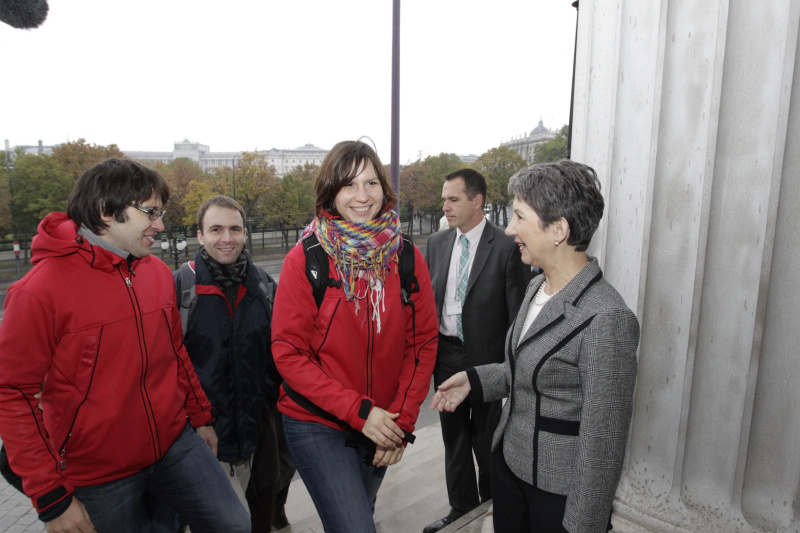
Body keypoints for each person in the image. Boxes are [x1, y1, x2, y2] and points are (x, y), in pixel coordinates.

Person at [0, 159, 250, 533]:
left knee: (234, 523)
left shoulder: (156, 273)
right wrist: (51, 496)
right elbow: (12, 393)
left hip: (173, 445)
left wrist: (201, 417)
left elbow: (175, 353)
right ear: (105, 210)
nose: (161, 224)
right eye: (150, 212)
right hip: (97, 471)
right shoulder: (38, 291)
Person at [431, 160, 640, 533]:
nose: (509, 229)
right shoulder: (535, 288)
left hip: (557, 495)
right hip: (510, 472)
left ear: (558, 229)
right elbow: (527, 371)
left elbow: (603, 446)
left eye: (519, 217)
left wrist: (583, 525)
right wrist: (475, 382)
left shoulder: (607, 318)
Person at [271, 139, 438, 532]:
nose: (362, 196)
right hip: (317, 420)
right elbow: (288, 352)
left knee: (360, 512)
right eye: (349, 185)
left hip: (383, 421)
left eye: (371, 183)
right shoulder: (307, 258)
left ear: (385, 188)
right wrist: (358, 412)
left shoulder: (408, 257)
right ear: (330, 193)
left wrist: (402, 423)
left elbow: (423, 344)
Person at [422, 168, 531, 532]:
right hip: (446, 354)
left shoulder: (506, 246)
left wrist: (509, 366)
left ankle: (491, 508)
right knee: (453, 439)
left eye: (453, 199)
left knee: (487, 442)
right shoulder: (437, 243)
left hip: (487, 360)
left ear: (477, 201)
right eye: (444, 199)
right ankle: (461, 509)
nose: (445, 206)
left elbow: (517, 313)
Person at [175, 195, 292, 532]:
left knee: (260, 517)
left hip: (260, 428)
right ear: (200, 236)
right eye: (216, 229)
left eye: (234, 229)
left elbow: (278, 353)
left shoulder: (264, 286)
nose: (226, 237)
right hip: (204, 433)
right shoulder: (182, 289)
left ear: (244, 234)